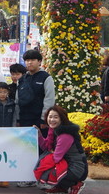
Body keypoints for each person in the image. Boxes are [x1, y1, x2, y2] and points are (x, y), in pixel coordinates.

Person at [16, 49, 55, 189]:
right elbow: (17, 100)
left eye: (32, 60)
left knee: (40, 149)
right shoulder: (22, 79)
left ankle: (42, 177)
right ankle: (28, 177)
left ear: (39, 62)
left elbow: (49, 99)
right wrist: (18, 118)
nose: (29, 62)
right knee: (26, 149)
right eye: (27, 60)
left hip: (39, 122)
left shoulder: (46, 78)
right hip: (24, 120)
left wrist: (44, 120)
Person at [34, 105, 88, 194]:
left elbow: (56, 158)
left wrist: (40, 165)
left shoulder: (65, 135)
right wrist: (39, 135)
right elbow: (46, 147)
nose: (52, 120)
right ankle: (61, 187)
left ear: (62, 119)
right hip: (68, 164)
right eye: (50, 117)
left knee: (47, 167)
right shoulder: (53, 130)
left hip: (77, 169)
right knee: (45, 161)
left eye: (56, 117)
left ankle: (76, 184)